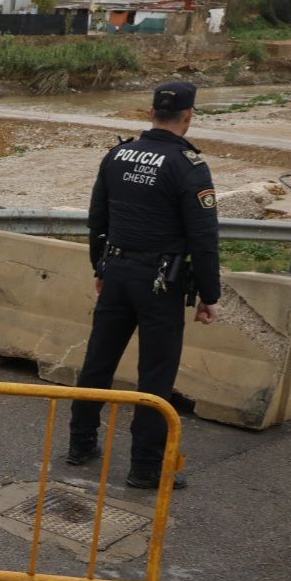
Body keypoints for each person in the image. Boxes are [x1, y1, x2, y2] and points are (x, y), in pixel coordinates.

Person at [66, 81, 221, 489]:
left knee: (99, 361)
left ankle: (80, 445)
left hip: (116, 271)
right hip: (160, 283)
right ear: (188, 116)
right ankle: (146, 468)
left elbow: (97, 220)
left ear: (150, 112)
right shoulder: (189, 166)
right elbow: (204, 239)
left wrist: (100, 268)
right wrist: (210, 295)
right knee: (155, 374)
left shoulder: (117, 154)